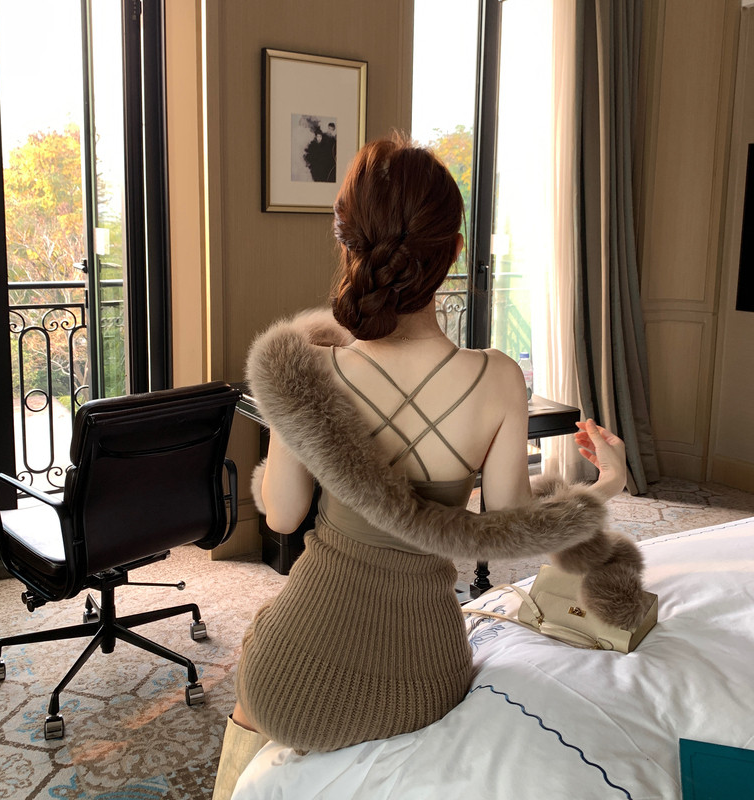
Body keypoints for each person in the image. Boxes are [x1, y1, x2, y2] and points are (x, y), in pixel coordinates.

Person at [213, 133, 636, 799]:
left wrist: (284, 456)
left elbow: (283, 516)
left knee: (253, 675)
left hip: (295, 677)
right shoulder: (498, 377)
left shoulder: (311, 369)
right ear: (454, 251)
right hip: (425, 680)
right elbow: (507, 522)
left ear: (346, 242)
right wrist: (606, 482)